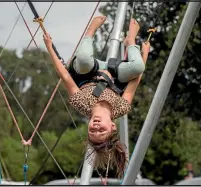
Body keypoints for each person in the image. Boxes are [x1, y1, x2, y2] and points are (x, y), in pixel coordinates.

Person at [43, 16, 150, 178]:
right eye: (102, 130)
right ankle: (130, 41)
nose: (96, 126)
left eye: (93, 130)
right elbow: (135, 81)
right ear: (113, 127)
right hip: (114, 72)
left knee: (84, 60)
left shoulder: (82, 104)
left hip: (87, 71)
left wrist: (49, 48)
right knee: (138, 66)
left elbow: (65, 76)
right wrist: (144, 54)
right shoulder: (121, 108)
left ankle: (90, 30)